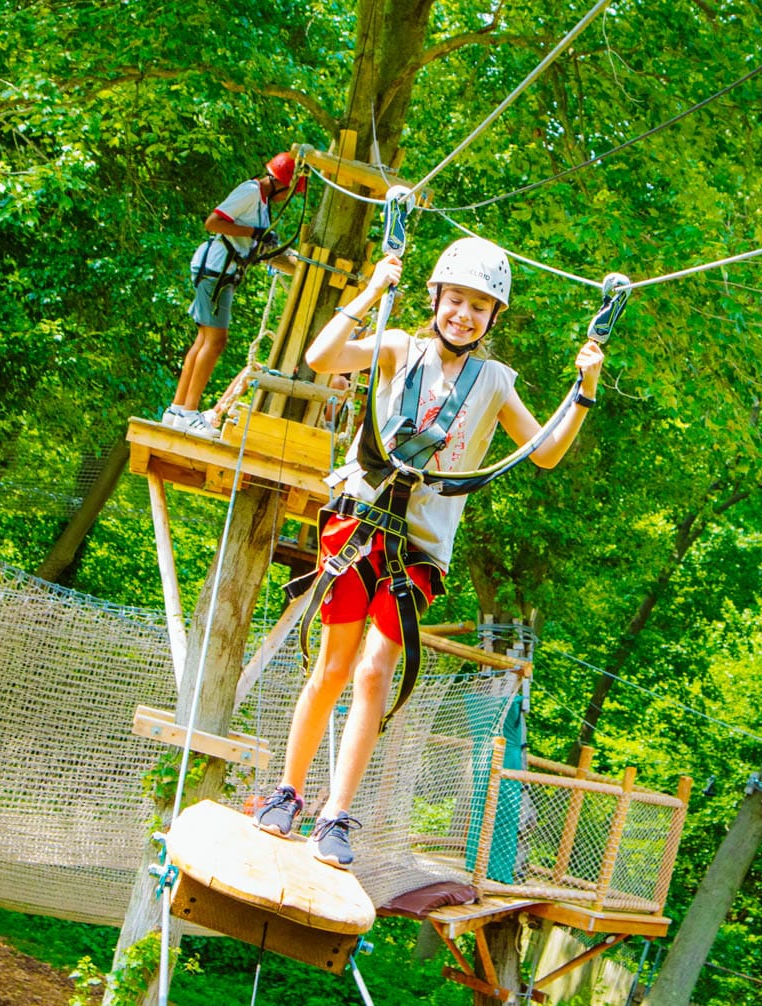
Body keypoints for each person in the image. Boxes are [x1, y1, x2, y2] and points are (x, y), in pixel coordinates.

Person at [249, 237, 606, 867]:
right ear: (435, 298)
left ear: (493, 318)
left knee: (374, 673)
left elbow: (545, 451)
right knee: (334, 667)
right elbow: (322, 356)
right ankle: (288, 791)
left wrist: (583, 389)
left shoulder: (494, 382)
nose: (463, 315)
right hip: (359, 522)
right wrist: (372, 291)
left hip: (419, 548)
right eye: (455, 300)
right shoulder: (398, 349)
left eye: (479, 306)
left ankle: (336, 816)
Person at [165, 151, 304, 433]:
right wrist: (252, 232)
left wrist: (261, 239)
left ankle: (177, 409)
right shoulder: (251, 192)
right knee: (215, 342)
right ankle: (189, 412)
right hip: (217, 270)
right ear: (282, 183)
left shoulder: (262, 201)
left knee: (204, 340)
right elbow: (213, 222)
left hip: (220, 271)